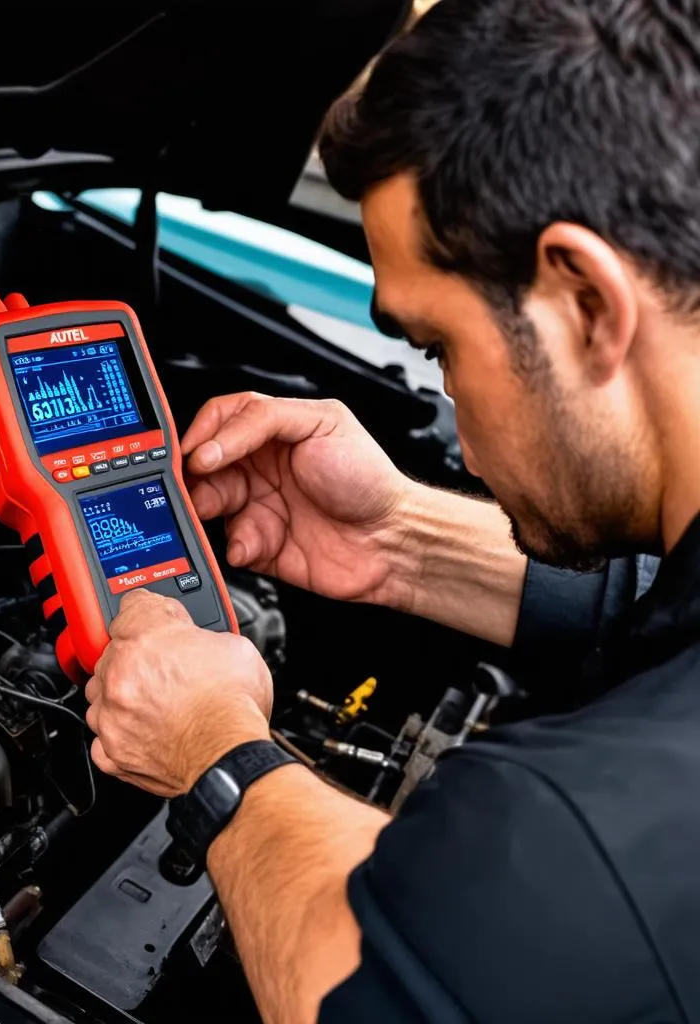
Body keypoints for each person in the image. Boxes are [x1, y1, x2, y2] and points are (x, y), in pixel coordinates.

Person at [84, 1, 700, 1020]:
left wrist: (210, 746)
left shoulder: (578, 833)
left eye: (436, 347)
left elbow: (373, 983)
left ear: (586, 303)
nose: (449, 404)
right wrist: (404, 544)